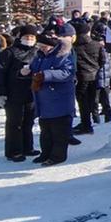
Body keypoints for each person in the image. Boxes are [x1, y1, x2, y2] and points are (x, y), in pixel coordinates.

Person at [0, 24, 40, 162]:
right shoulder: (9, 52)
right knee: (15, 123)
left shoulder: (37, 52)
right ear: (20, 37)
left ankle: (27, 147)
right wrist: (1, 93)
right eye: (27, 37)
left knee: (28, 121)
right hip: (13, 93)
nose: (30, 39)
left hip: (30, 92)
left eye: (32, 37)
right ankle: (13, 151)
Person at [29, 33, 76, 166]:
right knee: (45, 130)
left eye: (45, 46)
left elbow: (67, 73)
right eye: (40, 46)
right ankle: (45, 153)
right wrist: (27, 71)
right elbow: (34, 69)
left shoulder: (63, 55)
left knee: (59, 131)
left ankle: (57, 156)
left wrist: (46, 75)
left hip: (59, 99)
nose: (42, 48)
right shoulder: (39, 56)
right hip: (43, 100)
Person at [72, 21, 105, 135]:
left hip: (81, 77)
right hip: (94, 75)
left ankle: (85, 124)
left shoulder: (75, 46)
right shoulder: (96, 44)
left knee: (82, 102)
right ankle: (89, 122)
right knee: (92, 101)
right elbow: (103, 60)